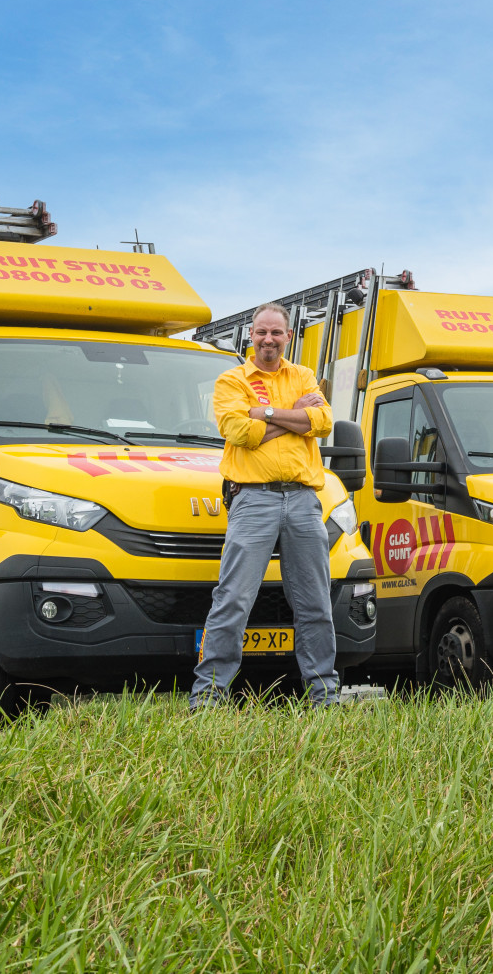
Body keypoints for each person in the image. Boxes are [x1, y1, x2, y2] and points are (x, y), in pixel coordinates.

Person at [191, 303, 341, 708]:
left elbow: (323, 421)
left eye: (276, 333)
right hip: (252, 498)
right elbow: (239, 430)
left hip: (305, 499)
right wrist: (295, 416)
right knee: (233, 598)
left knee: (315, 601)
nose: (268, 339)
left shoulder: (304, 375)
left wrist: (267, 414)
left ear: (289, 337)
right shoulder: (231, 380)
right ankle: (208, 697)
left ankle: (324, 695)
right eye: (261, 333)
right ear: (250, 336)